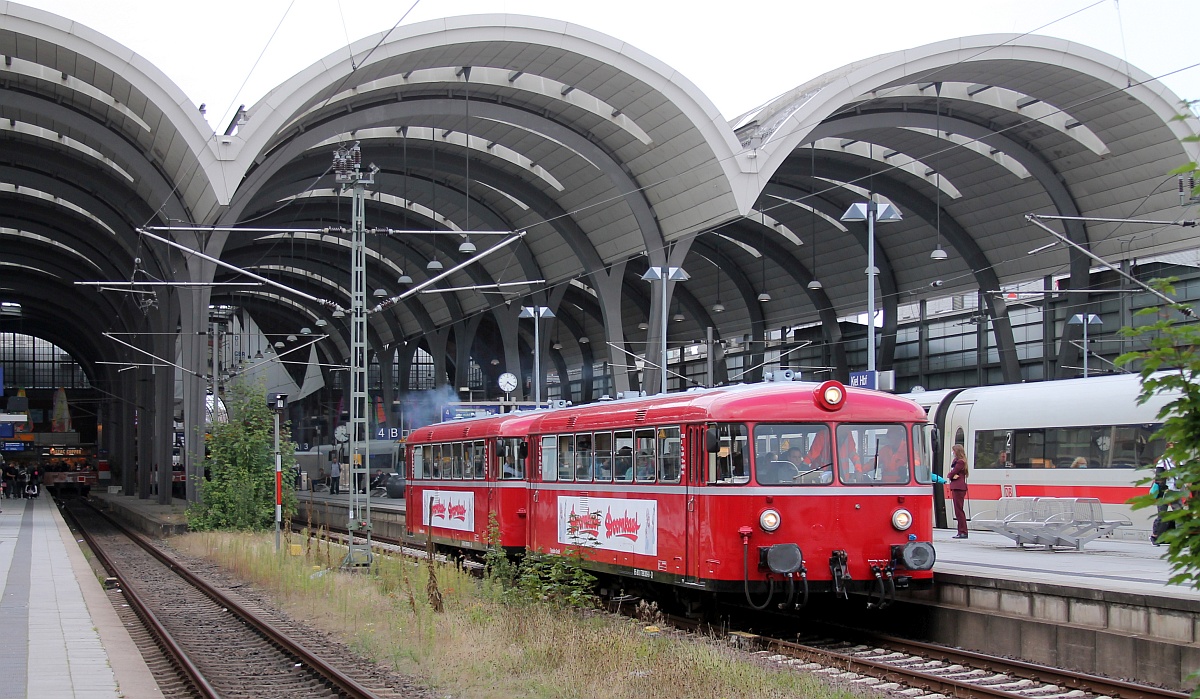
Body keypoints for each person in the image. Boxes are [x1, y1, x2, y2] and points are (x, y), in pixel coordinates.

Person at [948, 443, 970, 538]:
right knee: (958, 510)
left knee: (959, 510)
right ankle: (960, 531)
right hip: (957, 487)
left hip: (959, 488)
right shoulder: (957, 461)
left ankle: (963, 531)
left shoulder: (960, 462)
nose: (952, 452)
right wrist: (952, 476)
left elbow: (951, 473)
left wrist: (951, 475)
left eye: (954, 450)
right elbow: (953, 474)